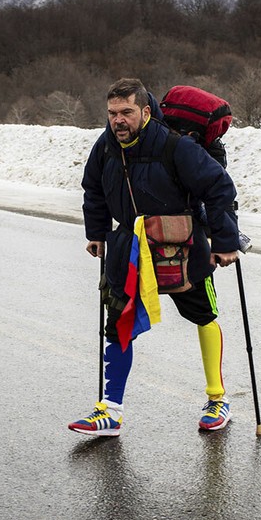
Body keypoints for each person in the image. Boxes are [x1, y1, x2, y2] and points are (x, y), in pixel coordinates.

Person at [70, 78, 242, 437]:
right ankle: (110, 411)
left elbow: (219, 187)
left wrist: (224, 241)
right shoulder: (105, 147)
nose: (118, 120)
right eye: (113, 113)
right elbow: (93, 187)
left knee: (204, 316)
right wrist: (96, 232)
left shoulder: (175, 147)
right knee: (118, 325)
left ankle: (217, 399)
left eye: (127, 112)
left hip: (181, 248)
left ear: (145, 112)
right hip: (128, 249)